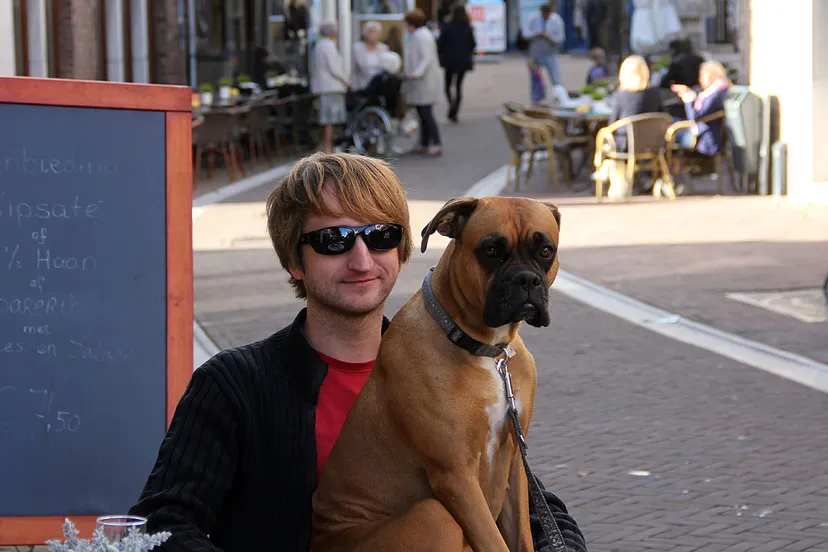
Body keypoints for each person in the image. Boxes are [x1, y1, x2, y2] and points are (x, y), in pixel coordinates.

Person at [128, 152, 587, 552]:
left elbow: (524, 494)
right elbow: (162, 525)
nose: (362, 259)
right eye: (334, 241)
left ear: (404, 247)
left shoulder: (468, 360)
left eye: (382, 236)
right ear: (293, 260)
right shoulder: (234, 385)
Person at [593, 55, 663, 195]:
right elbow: (663, 114)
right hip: (653, 142)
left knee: (601, 137)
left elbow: (612, 123)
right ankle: (644, 179)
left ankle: (607, 177)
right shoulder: (655, 93)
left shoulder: (621, 95)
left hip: (626, 144)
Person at [403, 8, 443, 156]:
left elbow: (426, 59)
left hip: (425, 81)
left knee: (426, 113)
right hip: (420, 81)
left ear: (412, 24)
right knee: (422, 113)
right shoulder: (418, 36)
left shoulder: (422, 37)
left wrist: (415, 73)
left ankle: (436, 143)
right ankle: (425, 143)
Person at [670, 60, 731, 155]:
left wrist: (689, 99)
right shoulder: (717, 90)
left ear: (711, 76)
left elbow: (695, 117)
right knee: (669, 122)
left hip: (704, 139)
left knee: (664, 131)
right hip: (702, 132)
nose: (699, 79)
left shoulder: (716, 94)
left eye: (702, 76)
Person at [310, 21, 349, 152]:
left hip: (322, 87)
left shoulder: (318, 46)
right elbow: (335, 68)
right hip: (331, 87)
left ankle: (325, 146)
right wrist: (346, 80)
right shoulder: (328, 46)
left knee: (325, 119)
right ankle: (328, 147)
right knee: (329, 120)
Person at [437, 4, 476, 122]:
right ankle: (455, 110)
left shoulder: (447, 27)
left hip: (449, 60)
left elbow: (440, 44)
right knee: (458, 86)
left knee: (447, 86)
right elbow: (473, 44)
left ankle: (451, 105)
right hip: (463, 61)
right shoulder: (468, 27)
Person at [527, 1, 565, 94]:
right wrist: (535, 35)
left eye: (547, 14)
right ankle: (537, 97)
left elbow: (561, 38)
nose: (545, 16)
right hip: (536, 53)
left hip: (550, 53)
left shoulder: (557, 20)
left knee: (555, 78)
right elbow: (526, 33)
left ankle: (559, 96)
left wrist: (550, 37)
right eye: (543, 14)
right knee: (535, 77)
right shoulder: (533, 18)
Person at [352, 21, 390, 92]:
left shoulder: (384, 48)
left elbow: (387, 68)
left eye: (377, 33)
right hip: (361, 86)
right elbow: (353, 69)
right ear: (366, 34)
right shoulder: (357, 48)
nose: (375, 35)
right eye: (372, 32)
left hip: (379, 87)